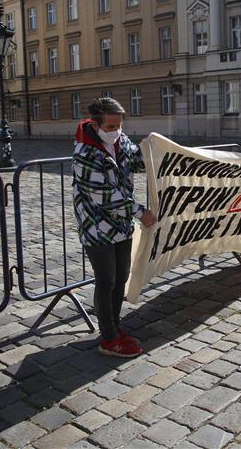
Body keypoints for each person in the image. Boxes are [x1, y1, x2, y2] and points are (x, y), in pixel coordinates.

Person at [72, 97, 156, 358]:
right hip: (96, 226)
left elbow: (140, 163)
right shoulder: (84, 154)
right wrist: (141, 213)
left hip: (121, 225)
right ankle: (107, 337)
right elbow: (104, 197)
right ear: (96, 124)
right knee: (106, 279)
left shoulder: (122, 142)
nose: (115, 131)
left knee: (121, 276)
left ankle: (115, 325)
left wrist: (159, 150)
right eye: (110, 127)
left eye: (119, 126)